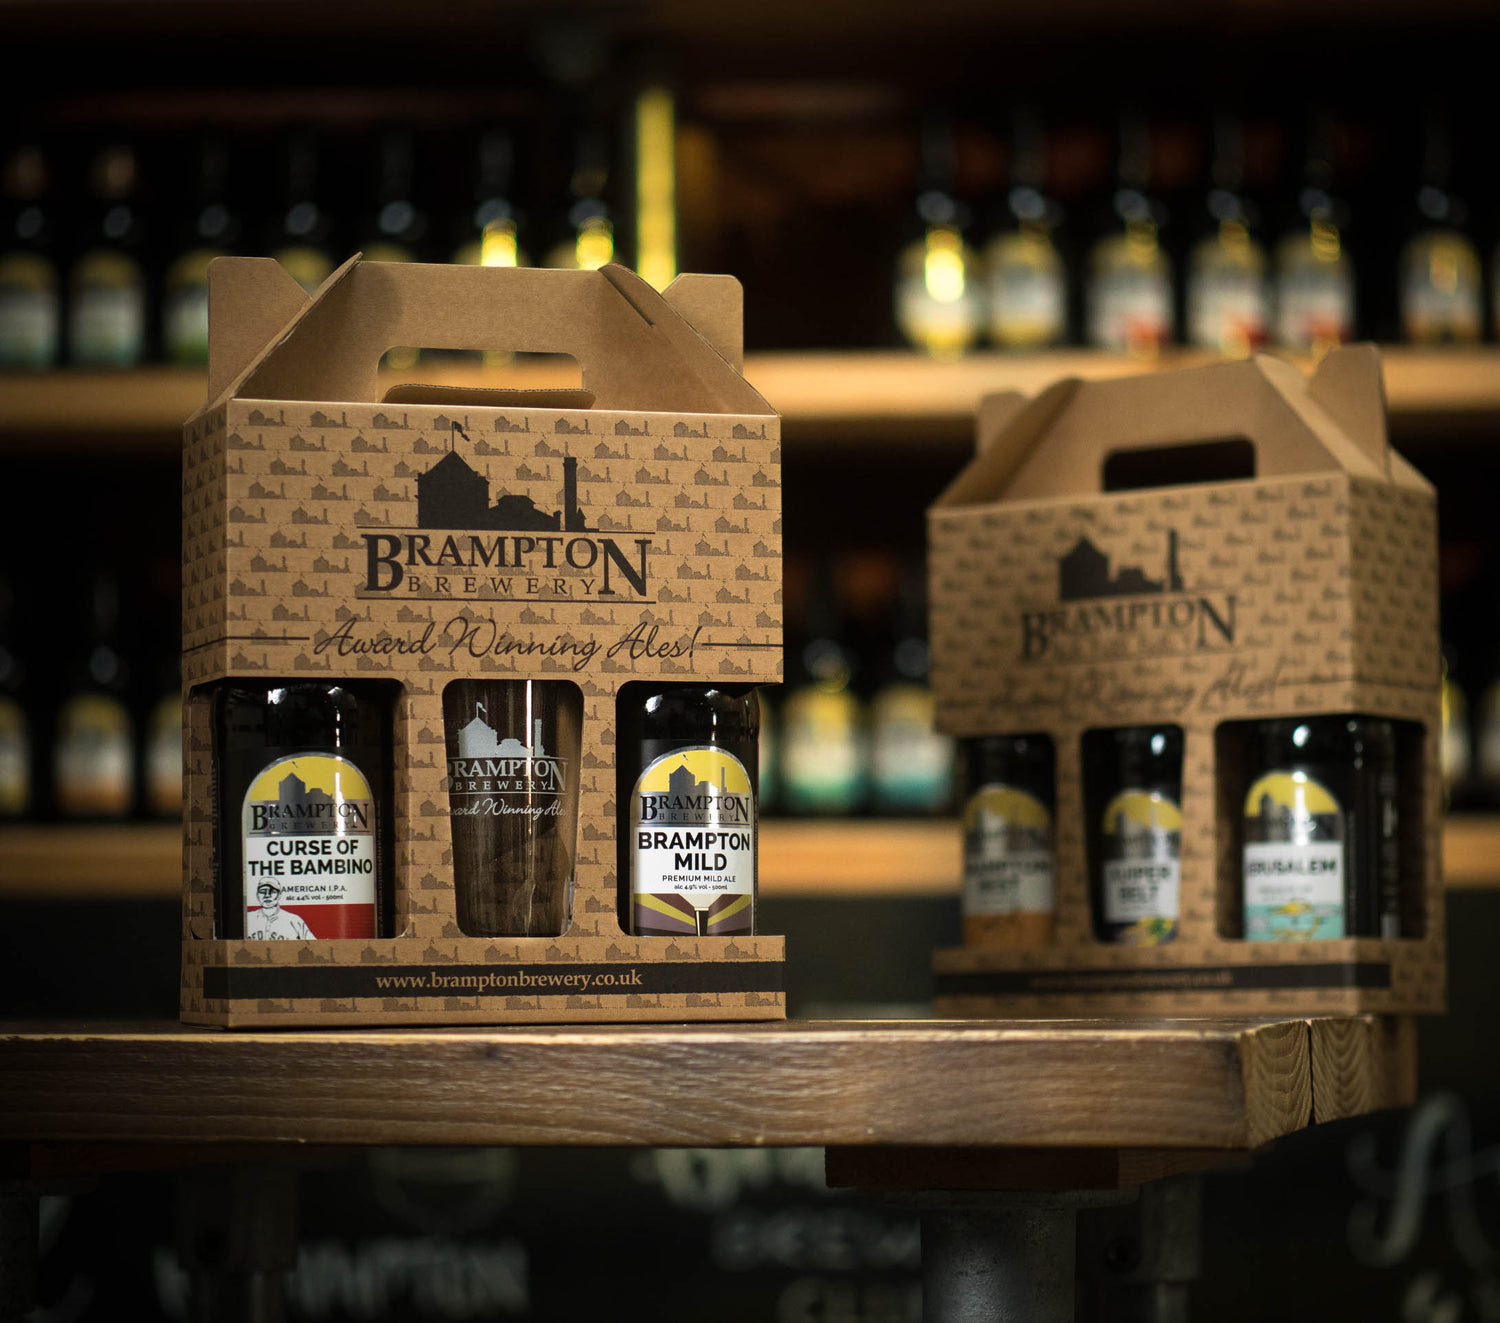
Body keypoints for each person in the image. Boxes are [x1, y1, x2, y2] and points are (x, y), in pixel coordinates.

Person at [247, 879, 315, 940]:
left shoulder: (294, 920)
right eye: (262, 891)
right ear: (257, 895)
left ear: (279, 895)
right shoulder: (247, 918)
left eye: (273, 891)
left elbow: (314, 947)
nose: (267, 895)